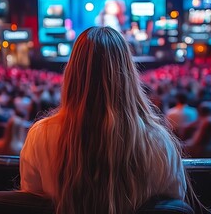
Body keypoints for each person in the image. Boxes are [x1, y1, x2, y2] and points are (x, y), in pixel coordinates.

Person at [20, 27, 193, 214]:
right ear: (128, 73)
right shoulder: (159, 141)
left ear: (72, 72)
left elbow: (29, 205)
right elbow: (175, 207)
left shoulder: (40, 135)